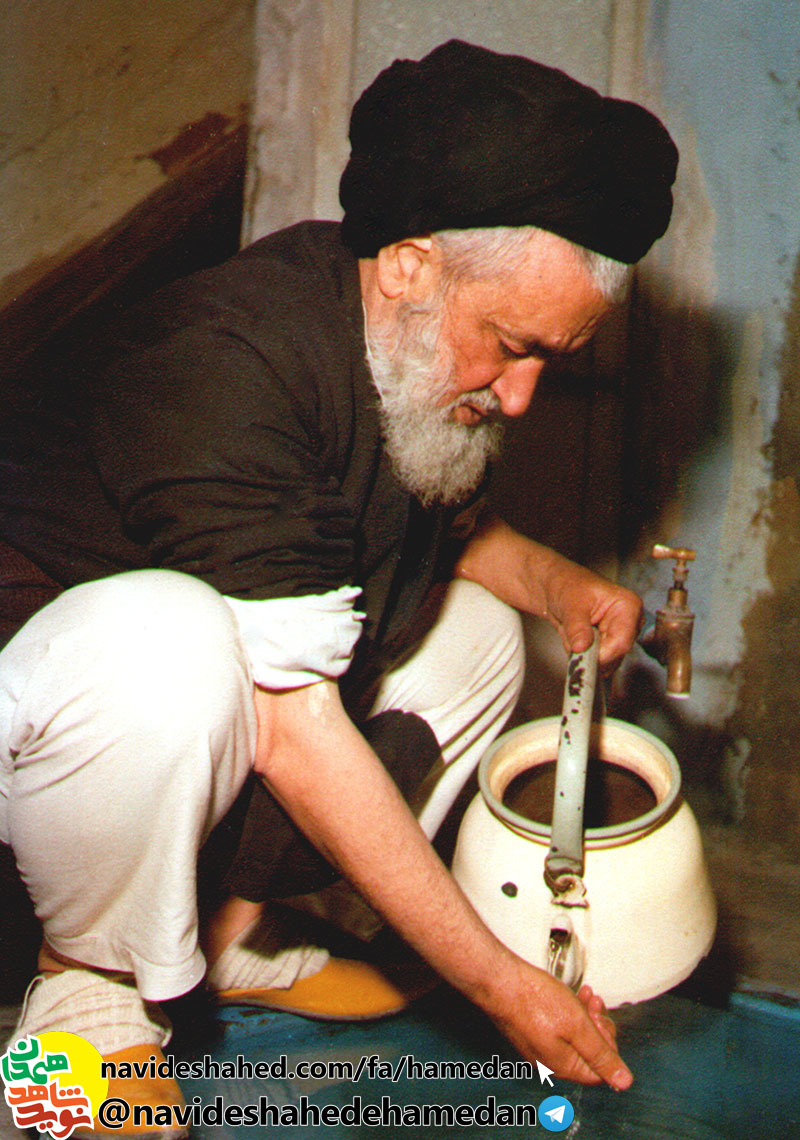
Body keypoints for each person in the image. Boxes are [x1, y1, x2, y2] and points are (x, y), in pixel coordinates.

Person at [0, 38, 677, 1130]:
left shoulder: (396, 332)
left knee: (476, 631)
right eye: (511, 346)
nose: (519, 398)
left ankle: (229, 937)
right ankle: (87, 996)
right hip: (41, 739)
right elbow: (291, 725)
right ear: (410, 264)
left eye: (548, 360)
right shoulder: (225, 358)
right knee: (168, 640)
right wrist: (497, 983)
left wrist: (552, 582)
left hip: (179, 749)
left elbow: (434, 520)